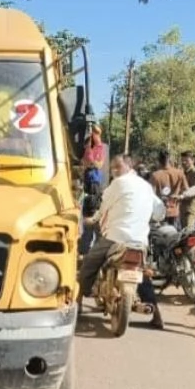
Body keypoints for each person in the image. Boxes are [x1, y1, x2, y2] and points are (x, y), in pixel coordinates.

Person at [79, 154, 164, 326]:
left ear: (129, 166)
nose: (114, 170)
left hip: (115, 238)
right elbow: (159, 211)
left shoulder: (117, 183)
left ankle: (78, 301)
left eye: (118, 166)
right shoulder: (146, 186)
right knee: (142, 274)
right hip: (140, 241)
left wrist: (93, 220)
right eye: (112, 167)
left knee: (89, 264)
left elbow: (103, 207)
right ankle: (157, 316)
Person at [79, 125, 108, 255]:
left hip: (95, 187)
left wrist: (92, 163)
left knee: (94, 220)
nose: (95, 136)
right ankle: (86, 250)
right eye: (95, 133)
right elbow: (86, 163)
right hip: (89, 188)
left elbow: (98, 164)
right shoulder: (88, 148)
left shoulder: (100, 148)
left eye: (96, 133)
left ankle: (92, 250)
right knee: (89, 220)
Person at [148, 151, 189, 226]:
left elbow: (150, 195)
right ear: (170, 160)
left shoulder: (155, 175)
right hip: (175, 211)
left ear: (159, 161)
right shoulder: (180, 173)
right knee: (175, 235)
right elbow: (187, 191)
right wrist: (179, 197)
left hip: (160, 211)